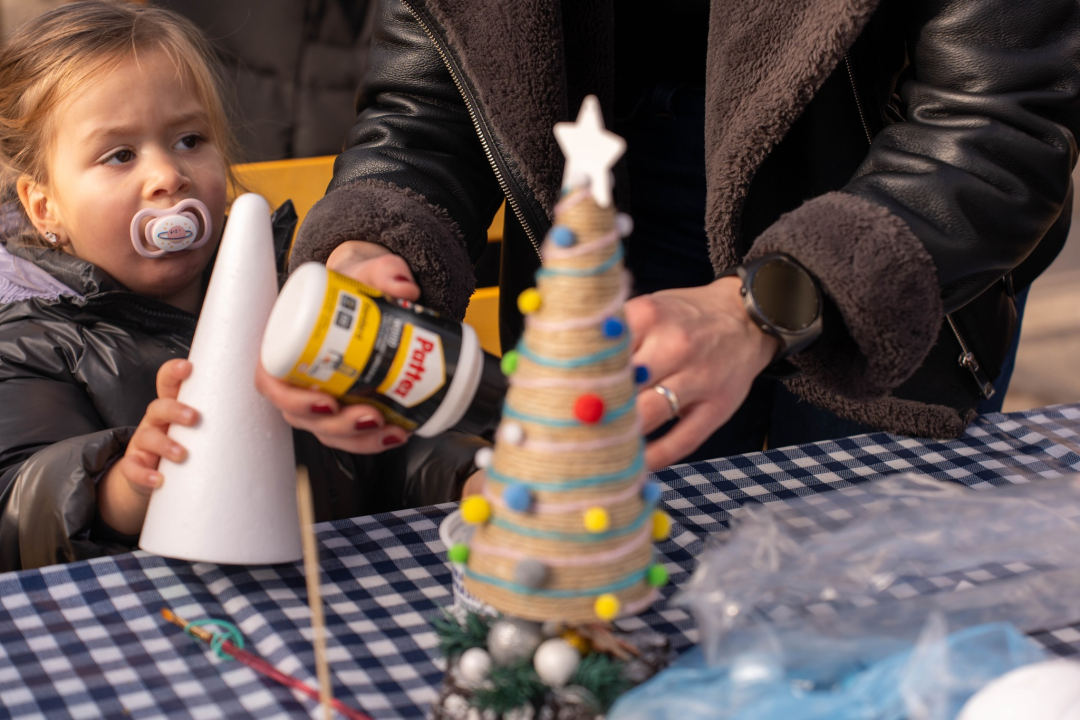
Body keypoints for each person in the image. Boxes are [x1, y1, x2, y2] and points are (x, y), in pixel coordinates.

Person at [268, 0, 1080, 472]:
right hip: (602, 201)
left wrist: (769, 306)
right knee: (619, 584)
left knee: (871, 618)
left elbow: (998, 121)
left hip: (892, 240)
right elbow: (429, 102)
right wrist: (370, 252)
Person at [0, 1, 482, 572]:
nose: (167, 176)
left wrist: (466, 473)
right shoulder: (30, 341)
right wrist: (123, 485)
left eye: (189, 140)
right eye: (121, 155)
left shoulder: (289, 289)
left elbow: (388, 446)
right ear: (44, 205)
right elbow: (17, 507)